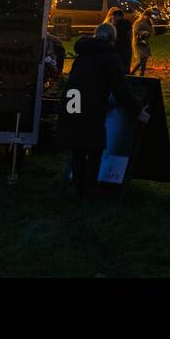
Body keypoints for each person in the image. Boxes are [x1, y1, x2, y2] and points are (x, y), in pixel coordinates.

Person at [59, 24, 150, 199]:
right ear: (112, 39)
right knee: (94, 148)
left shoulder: (82, 55)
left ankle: (78, 187)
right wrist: (138, 108)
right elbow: (121, 91)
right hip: (91, 106)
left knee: (78, 148)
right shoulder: (110, 59)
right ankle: (89, 189)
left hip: (73, 104)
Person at [130, 11, 153, 76]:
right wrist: (143, 33)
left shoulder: (148, 22)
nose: (148, 18)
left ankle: (142, 74)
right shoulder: (139, 22)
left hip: (145, 42)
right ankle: (132, 73)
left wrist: (148, 34)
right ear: (144, 15)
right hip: (139, 42)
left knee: (144, 59)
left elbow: (150, 31)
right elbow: (135, 31)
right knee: (142, 59)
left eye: (149, 16)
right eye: (147, 16)